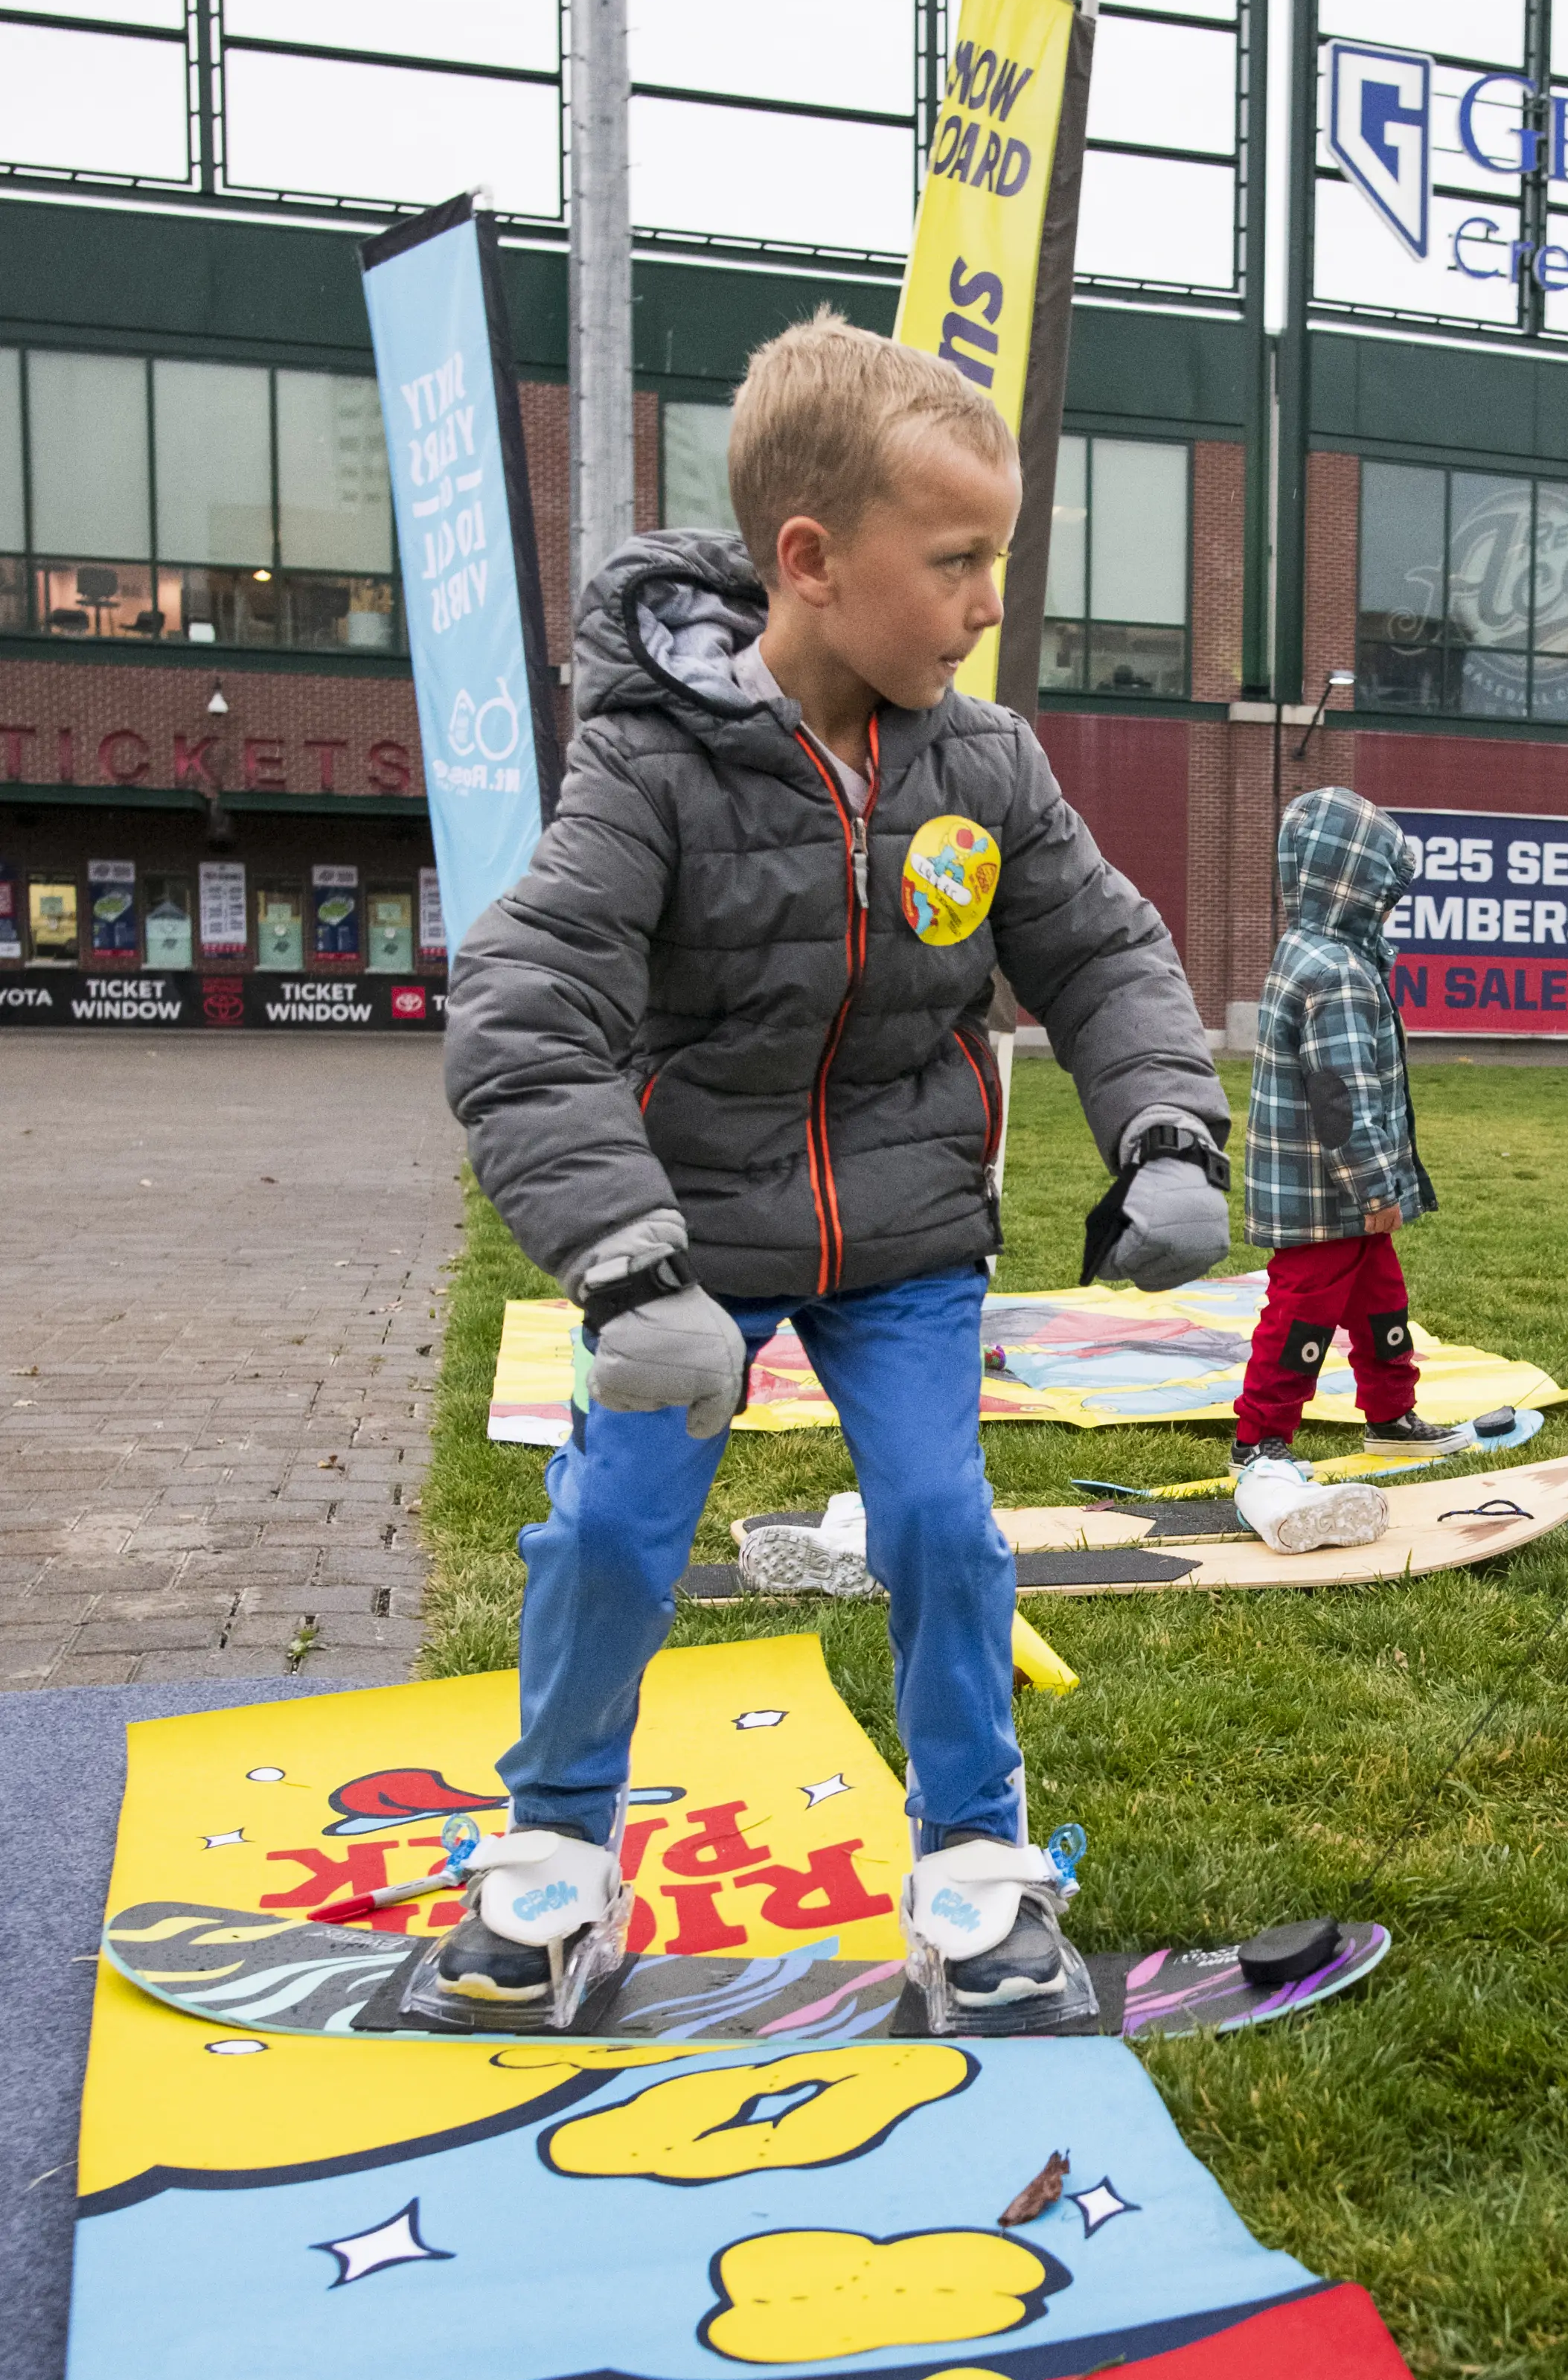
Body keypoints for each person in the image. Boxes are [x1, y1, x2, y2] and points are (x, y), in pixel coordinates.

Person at [434, 309, 1231, 2018]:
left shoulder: (982, 764)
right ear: (809, 560)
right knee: (612, 1533)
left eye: (995, 557)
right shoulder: (647, 767)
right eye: (956, 559)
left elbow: (1102, 954)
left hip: (906, 1230)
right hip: (686, 1239)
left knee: (943, 1522)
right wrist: (626, 1264)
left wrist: (1165, 1126)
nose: (987, 598)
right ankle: (556, 1860)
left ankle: (970, 1874)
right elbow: (522, 1009)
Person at [1230, 785, 1440, 1535]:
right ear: (1353, 883)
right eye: (1384, 889)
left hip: (1334, 1191)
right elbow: (1341, 1095)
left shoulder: (1316, 949)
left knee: (1381, 1295)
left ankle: (1390, 1412)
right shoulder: (1338, 973)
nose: (1389, 904)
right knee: (1301, 1313)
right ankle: (1260, 1439)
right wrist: (1375, 1184)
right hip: (1326, 1194)